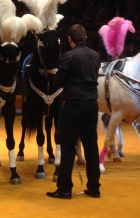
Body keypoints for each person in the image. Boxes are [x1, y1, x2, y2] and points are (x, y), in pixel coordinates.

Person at [46, 24, 101, 199]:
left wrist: (52, 77)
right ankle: (94, 188)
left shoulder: (68, 56)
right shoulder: (95, 55)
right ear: (85, 38)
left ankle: (64, 188)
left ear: (70, 40)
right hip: (92, 105)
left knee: (68, 147)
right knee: (91, 147)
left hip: (73, 106)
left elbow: (58, 82)